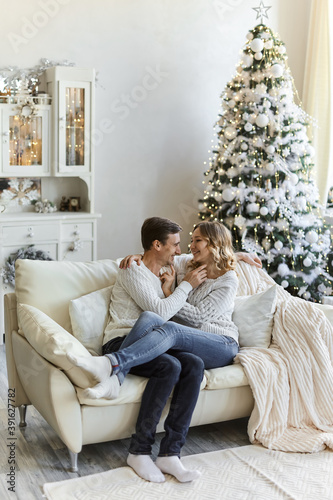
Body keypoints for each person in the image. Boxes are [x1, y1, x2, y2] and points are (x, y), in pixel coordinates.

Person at [68, 217, 261, 483]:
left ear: (213, 245)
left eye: (195, 241)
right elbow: (161, 306)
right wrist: (172, 282)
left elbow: (197, 315)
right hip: (133, 338)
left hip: (218, 342)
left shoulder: (217, 277)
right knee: (181, 357)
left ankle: (114, 367)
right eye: (182, 243)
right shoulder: (165, 267)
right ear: (157, 245)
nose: (185, 249)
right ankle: (152, 451)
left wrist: (233, 256)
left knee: (173, 341)